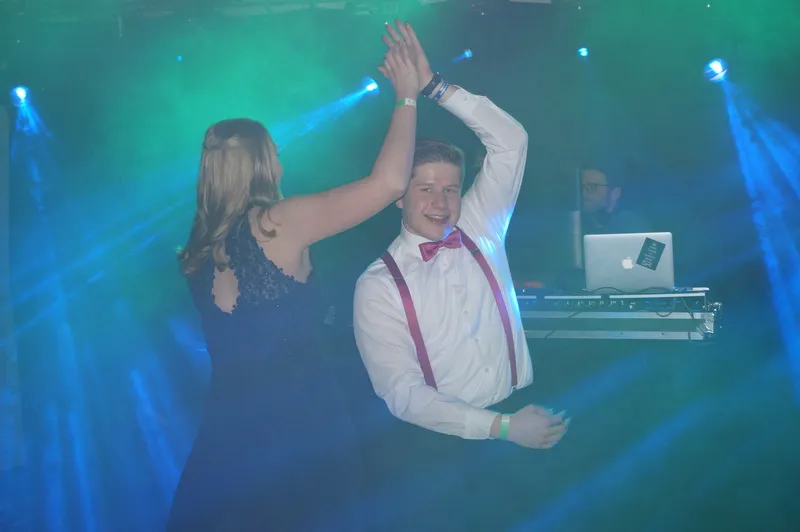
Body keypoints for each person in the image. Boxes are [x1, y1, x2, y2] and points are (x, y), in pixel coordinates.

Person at [167, 22, 419, 531]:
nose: (282, 163)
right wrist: (407, 96)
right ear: (262, 164)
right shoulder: (278, 223)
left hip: (228, 439)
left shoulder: (197, 250)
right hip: (300, 435)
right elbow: (391, 182)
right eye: (276, 154)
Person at [352, 22, 570, 530]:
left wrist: (434, 87)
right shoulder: (378, 284)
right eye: (425, 188)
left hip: (523, 423)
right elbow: (403, 394)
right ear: (399, 195)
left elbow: (511, 141)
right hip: (444, 453)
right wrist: (501, 428)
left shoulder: (481, 225)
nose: (441, 201)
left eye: (450, 188)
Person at [581, 166, 649, 234]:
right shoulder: (578, 225)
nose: (583, 192)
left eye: (592, 186)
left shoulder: (633, 225)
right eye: (581, 187)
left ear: (616, 193)